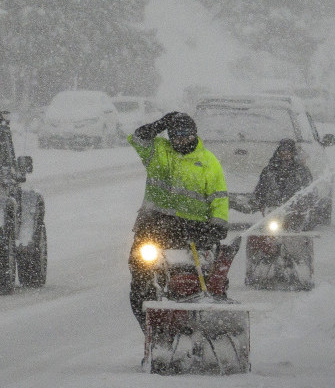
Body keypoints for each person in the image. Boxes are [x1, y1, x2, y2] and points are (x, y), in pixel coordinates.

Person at [127, 110, 229, 331]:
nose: (181, 140)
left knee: (201, 279)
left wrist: (217, 226)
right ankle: (153, 332)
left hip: (193, 233)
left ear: (194, 135)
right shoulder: (157, 151)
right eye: (175, 135)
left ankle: (203, 324)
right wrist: (159, 123)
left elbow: (219, 198)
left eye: (186, 135)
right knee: (141, 280)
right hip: (152, 228)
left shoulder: (209, 163)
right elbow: (137, 138)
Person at [252, 138, 313, 229]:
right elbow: (261, 188)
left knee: (294, 231)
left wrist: (303, 205)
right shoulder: (269, 170)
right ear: (279, 152)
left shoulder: (301, 171)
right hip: (274, 209)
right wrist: (261, 203)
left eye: (288, 150)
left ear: (293, 153)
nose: (285, 153)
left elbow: (310, 190)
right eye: (283, 150)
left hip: (295, 210)